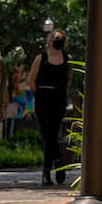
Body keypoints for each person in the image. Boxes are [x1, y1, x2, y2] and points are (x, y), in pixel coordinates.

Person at [26, 30, 72, 187]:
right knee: (48, 132)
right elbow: (31, 80)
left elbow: (68, 79)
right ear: (49, 40)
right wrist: (37, 96)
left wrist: (64, 94)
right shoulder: (41, 58)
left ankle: (47, 171)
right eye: (55, 38)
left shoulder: (67, 59)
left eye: (61, 38)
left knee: (52, 134)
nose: (58, 40)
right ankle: (57, 162)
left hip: (59, 98)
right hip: (43, 97)